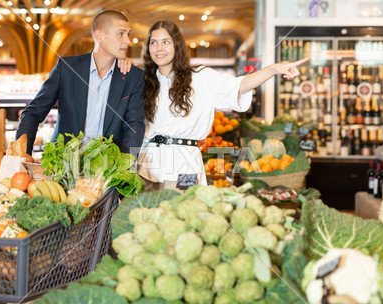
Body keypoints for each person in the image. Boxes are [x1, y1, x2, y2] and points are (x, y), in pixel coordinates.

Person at [137, 20, 308, 190]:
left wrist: (273, 69)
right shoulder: (141, 81)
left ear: (177, 45)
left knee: (183, 211)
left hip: (184, 164)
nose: (159, 48)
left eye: (166, 42)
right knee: (147, 214)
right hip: (148, 165)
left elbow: (240, 85)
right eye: (154, 42)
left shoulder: (200, 77)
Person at [16, 10, 145, 157]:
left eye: (128, 34)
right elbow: (32, 113)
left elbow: (135, 126)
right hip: (63, 166)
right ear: (99, 36)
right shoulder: (67, 67)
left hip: (107, 171)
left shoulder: (133, 77)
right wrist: (22, 155)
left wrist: (124, 167)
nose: (127, 40)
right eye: (121, 33)